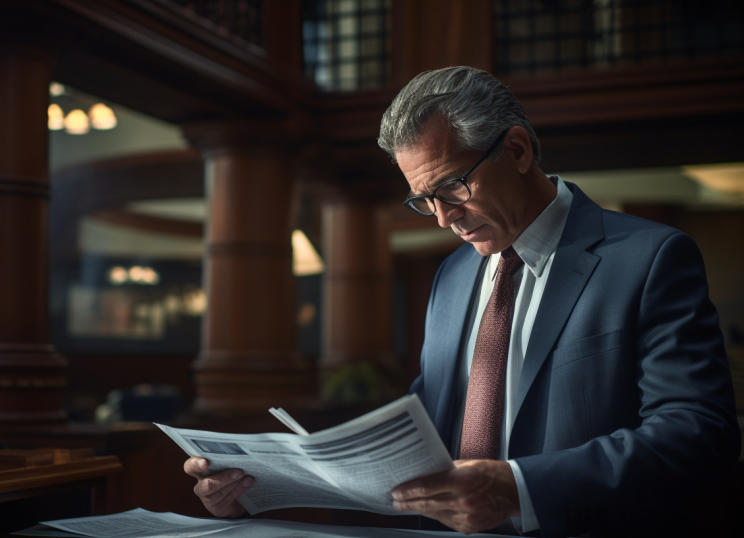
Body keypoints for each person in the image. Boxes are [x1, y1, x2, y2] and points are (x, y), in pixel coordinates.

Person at [183, 66, 740, 536]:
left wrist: (519, 489)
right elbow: (428, 424)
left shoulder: (648, 257)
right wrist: (264, 484)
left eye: (452, 187)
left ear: (517, 149)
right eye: (424, 200)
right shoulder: (452, 275)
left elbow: (697, 433)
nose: (444, 219)